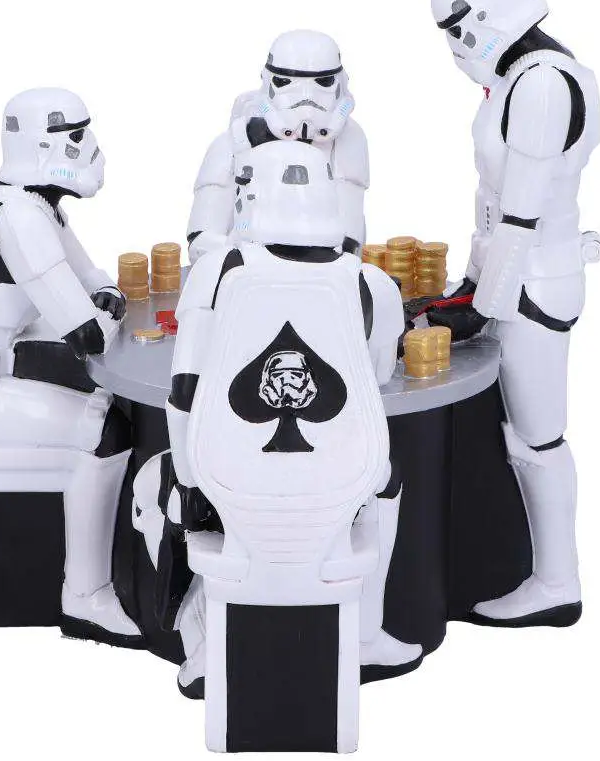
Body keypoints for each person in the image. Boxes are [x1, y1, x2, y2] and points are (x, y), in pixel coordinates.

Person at [142, 140, 420, 697]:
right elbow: (375, 381)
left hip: (227, 486)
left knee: (154, 483)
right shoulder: (372, 284)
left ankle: (202, 644)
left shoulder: (215, 272)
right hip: (342, 486)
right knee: (387, 480)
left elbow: (184, 394)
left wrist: (190, 484)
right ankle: (365, 635)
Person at [0, 87, 141, 643]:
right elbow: (89, 333)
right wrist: (103, 312)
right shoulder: (19, 218)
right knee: (106, 431)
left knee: (108, 397)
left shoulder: (28, 203)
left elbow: (97, 285)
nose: (90, 148)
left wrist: (102, 306)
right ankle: (85, 595)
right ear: (44, 147)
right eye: (76, 137)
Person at [428, 0, 600, 626]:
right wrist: (470, 289)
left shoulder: (542, 84)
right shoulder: (524, 77)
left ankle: (557, 583)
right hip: (517, 277)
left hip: (535, 282)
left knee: (538, 439)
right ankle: (534, 570)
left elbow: (521, 216)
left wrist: (480, 303)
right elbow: (498, 209)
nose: (455, 44)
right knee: (518, 436)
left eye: (456, 28)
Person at [186, 30, 369, 262]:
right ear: (268, 82)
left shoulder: (348, 141)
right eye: (285, 83)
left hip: (325, 274)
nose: (306, 98)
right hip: (247, 269)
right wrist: (240, 250)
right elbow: (201, 242)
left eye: (323, 82)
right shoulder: (235, 144)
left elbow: (350, 242)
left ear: (340, 83)